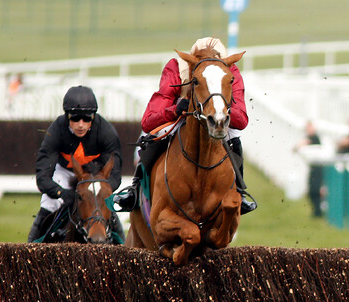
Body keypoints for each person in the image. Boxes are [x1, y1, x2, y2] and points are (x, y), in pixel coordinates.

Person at [113, 37, 256, 214]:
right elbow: (149, 120)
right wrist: (175, 109)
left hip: (213, 116)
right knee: (149, 135)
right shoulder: (176, 67)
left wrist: (221, 111)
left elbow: (241, 120)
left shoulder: (231, 70)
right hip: (182, 116)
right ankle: (134, 190)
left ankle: (240, 192)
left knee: (233, 135)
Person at [28, 85, 124, 242]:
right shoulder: (57, 130)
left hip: (95, 175)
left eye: (86, 118)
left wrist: (102, 190)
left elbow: (114, 176)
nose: (81, 124)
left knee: (106, 205)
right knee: (49, 203)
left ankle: (124, 247)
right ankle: (30, 247)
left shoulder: (106, 132)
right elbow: (43, 177)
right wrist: (62, 193)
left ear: (93, 117)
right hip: (65, 173)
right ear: (67, 117)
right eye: (75, 118)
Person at [293, 121, 325, 217]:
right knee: (312, 190)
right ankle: (316, 211)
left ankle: (318, 211)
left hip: (318, 168)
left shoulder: (315, 138)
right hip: (313, 168)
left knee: (315, 189)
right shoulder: (309, 138)